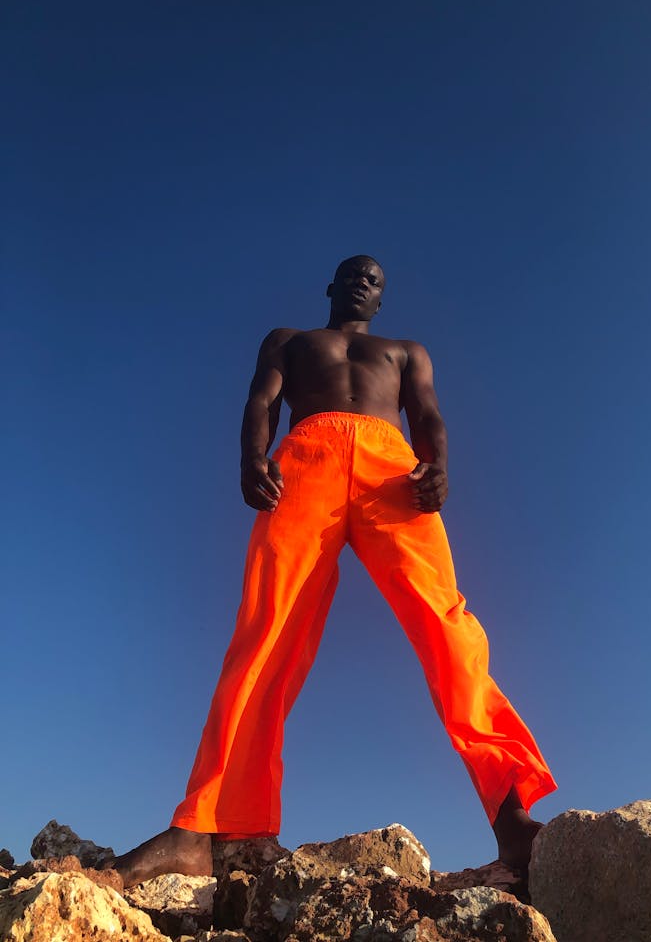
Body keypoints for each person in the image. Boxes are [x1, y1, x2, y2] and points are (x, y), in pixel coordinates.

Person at [104, 254, 557, 888]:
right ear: (331, 286)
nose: (364, 281)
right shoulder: (289, 341)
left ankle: (512, 819)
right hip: (305, 462)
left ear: (381, 298)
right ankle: (207, 827)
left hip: (391, 472)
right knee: (267, 629)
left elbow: (427, 414)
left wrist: (440, 463)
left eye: (376, 279)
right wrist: (250, 457)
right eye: (353, 274)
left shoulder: (406, 352)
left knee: (447, 625)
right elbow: (260, 400)